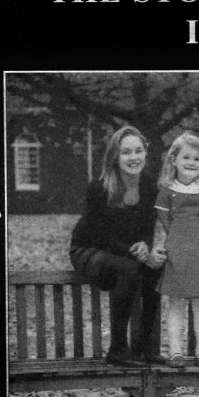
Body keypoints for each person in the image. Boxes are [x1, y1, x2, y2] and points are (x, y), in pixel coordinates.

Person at [70, 125, 163, 367]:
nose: (134, 158)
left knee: (155, 268)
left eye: (138, 151)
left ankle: (145, 348)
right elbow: (97, 235)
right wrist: (135, 252)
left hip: (123, 252)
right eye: (126, 152)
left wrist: (146, 247)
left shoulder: (149, 186)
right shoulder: (99, 187)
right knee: (129, 268)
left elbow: (147, 228)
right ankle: (118, 349)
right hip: (88, 249)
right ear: (115, 156)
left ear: (145, 153)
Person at [154, 132, 199, 368]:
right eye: (186, 157)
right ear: (174, 160)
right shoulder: (167, 190)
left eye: (197, 159)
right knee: (175, 303)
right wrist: (179, 238)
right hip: (178, 252)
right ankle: (175, 351)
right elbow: (164, 218)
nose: (192, 163)